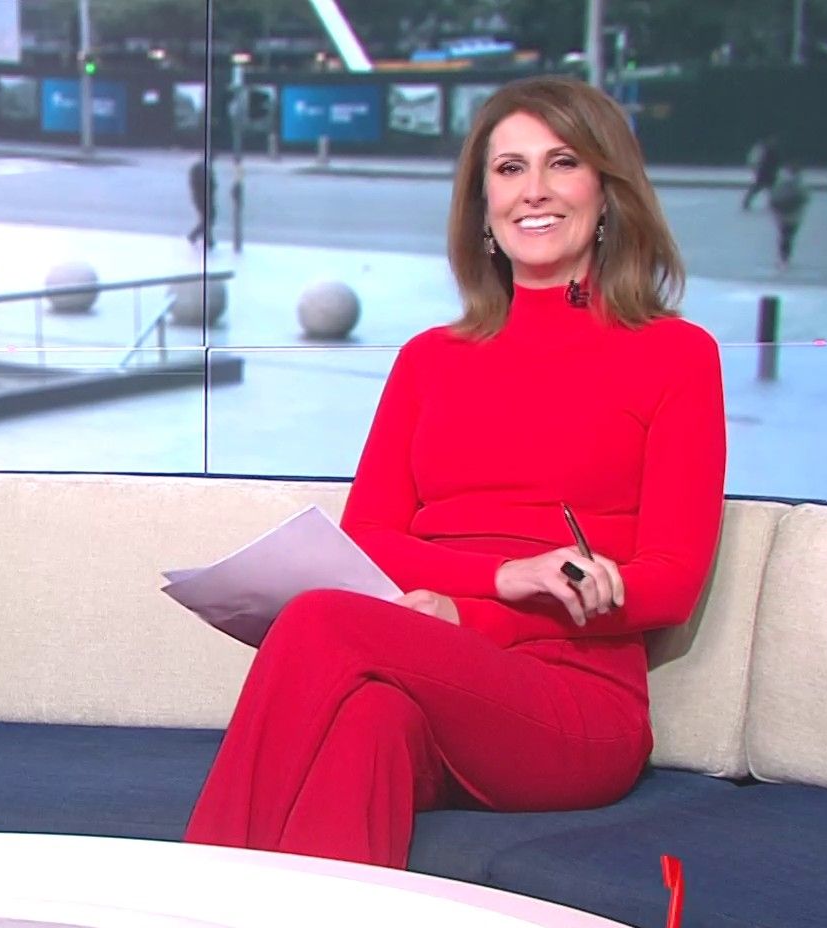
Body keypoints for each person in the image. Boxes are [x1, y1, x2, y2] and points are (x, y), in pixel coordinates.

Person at [184, 75, 726, 869]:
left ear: (607, 192)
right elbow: (371, 539)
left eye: (562, 163)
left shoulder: (676, 355)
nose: (533, 191)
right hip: (425, 674)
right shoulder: (428, 360)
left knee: (323, 621)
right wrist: (503, 577)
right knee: (367, 721)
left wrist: (473, 616)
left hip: (569, 703)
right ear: (483, 206)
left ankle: (194, 905)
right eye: (509, 169)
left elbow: (671, 582)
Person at [768, 164, 810, 270]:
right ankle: (785, 258)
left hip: (781, 214)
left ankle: (783, 258)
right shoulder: (800, 184)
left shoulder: (780, 182)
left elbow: (773, 197)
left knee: (784, 235)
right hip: (794, 215)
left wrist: (774, 209)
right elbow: (805, 198)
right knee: (789, 237)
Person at [741, 136, 780, 211]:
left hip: (770, 174)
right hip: (764, 173)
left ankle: (774, 205)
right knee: (757, 189)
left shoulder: (773, 151)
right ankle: (746, 203)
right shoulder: (764, 150)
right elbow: (758, 161)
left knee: (772, 191)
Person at [187, 153, 217, 248]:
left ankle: (208, 239)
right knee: (209, 218)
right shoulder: (202, 168)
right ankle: (194, 236)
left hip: (202, 197)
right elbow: (205, 184)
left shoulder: (201, 167)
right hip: (202, 197)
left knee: (207, 218)